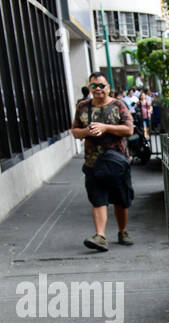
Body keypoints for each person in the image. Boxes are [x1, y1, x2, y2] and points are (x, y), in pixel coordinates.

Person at [71, 71, 135, 251]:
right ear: (89, 88)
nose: (98, 89)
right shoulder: (83, 107)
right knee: (98, 199)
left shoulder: (118, 105)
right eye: (94, 86)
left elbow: (129, 130)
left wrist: (105, 127)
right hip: (93, 163)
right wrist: (86, 132)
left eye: (101, 86)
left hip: (117, 163)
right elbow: (75, 130)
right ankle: (100, 236)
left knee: (121, 200)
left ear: (108, 87)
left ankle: (123, 231)